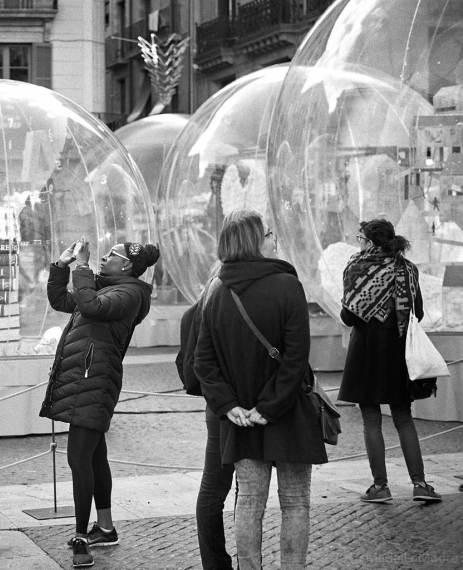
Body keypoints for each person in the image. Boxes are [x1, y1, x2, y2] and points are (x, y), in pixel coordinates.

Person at [194, 210, 326, 570]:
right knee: (295, 502)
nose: (274, 239)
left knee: (249, 502)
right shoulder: (287, 285)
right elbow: (296, 357)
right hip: (287, 412)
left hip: (242, 418)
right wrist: (269, 406)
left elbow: (203, 361)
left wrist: (229, 406)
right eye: (268, 233)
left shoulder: (218, 290)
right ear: (254, 241)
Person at [40, 239, 160, 569]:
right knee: (94, 456)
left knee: (79, 458)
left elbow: (91, 307)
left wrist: (82, 267)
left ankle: (81, 537)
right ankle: (105, 528)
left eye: (112, 255)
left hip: (95, 381)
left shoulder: (130, 294)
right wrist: (61, 266)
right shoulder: (104, 287)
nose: (104, 257)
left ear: (126, 265)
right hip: (86, 380)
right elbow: (61, 300)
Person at [339, 219, 442, 503]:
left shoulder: (356, 267)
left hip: (365, 352)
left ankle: (380, 487)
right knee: (403, 418)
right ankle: (420, 484)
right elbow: (417, 312)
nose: (359, 244)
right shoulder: (406, 268)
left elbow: (348, 316)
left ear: (371, 242)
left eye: (361, 238)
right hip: (398, 351)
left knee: (371, 420)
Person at [178, 265, 236, 570]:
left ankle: (215, 564)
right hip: (233, 406)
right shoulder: (224, 301)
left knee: (214, 488)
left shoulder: (202, 303)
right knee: (236, 489)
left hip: (216, 406)